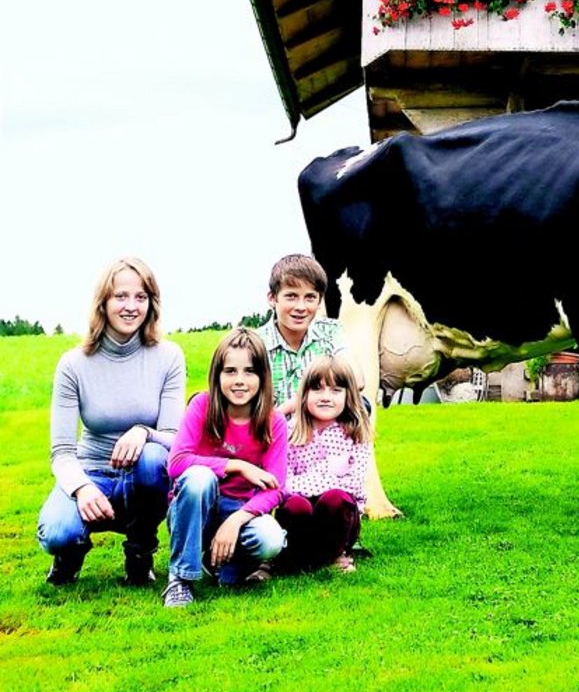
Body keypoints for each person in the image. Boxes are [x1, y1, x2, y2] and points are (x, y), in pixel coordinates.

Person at [38, 257, 185, 586]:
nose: (131, 306)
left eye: (141, 297)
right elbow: (62, 452)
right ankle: (70, 552)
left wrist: (143, 432)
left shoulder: (168, 356)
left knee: (153, 457)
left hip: (142, 478)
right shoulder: (73, 364)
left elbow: (175, 439)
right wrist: (82, 488)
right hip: (92, 472)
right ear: (102, 302)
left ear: (151, 303)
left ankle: (140, 552)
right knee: (56, 532)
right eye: (121, 296)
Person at [163, 328, 288, 607]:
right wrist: (236, 465)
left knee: (270, 538)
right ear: (217, 375)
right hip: (195, 510)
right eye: (230, 371)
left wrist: (237, 519)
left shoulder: (274, 422)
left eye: (249, 371)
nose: (239, 380)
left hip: (239, 511)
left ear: (263, 377)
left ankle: (220, 561)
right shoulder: (202, 405)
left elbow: (276, 488)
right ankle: (180, 579)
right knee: (199, 478)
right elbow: (177, 463)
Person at [277, 356, 371, 573]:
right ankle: (296, 555)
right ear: (304, 395)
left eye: (336, 390)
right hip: (302, 514)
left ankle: (336, 553)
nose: (326, 397)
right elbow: (284, 483)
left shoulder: (355, 434)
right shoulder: (290, 432)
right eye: (317, 389)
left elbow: (354, 484)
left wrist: (311, 483)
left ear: (348, 396)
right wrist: (325, 480)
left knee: (334, 498)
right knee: (296, 504)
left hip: (339, 517)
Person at [256, 254, 354, 418]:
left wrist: (292, 405)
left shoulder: (330, 332)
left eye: (310, 298)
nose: (301, 307)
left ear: (319, 301)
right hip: (272, 431)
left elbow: (356, 379)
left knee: (363, 405)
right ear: (272, 298)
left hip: (323, 430)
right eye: (291, 296)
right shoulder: (256, 344)